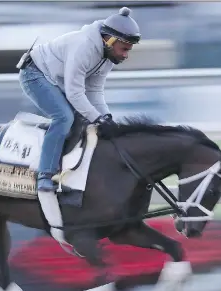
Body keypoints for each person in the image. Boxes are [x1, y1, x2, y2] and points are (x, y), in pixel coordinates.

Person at [18, 6, 141, 192]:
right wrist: (97, 118)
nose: (126, 55)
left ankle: (70, 173)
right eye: (124, 49)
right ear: (110, 40)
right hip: (34, 73)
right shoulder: (84, 47)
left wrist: (106, 117)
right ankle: (44, 174)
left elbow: (94, 90)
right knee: (64, 117)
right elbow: (75, 93)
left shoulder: (108, 56)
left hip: (55, 79)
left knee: (83, 119)